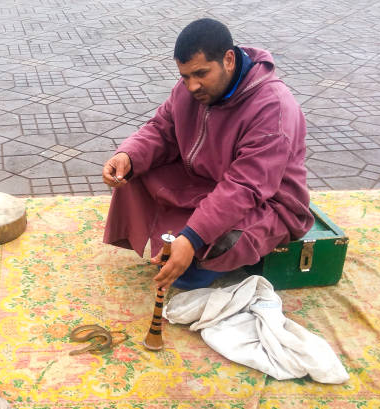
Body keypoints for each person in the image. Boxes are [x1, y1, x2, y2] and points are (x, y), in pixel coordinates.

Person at [102, 18, 314, 292]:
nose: (191, 87)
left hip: (267, 202)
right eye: (185, 76)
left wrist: (191, 238)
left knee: (203, 255)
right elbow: (161, 129)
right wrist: (128, 155)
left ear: (228, 59)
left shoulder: (273, 107)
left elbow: (244, 186)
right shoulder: (190, 89)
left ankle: (192, 249)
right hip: (207, 181)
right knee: (133, 171)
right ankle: (180, 244)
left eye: (201, 74)